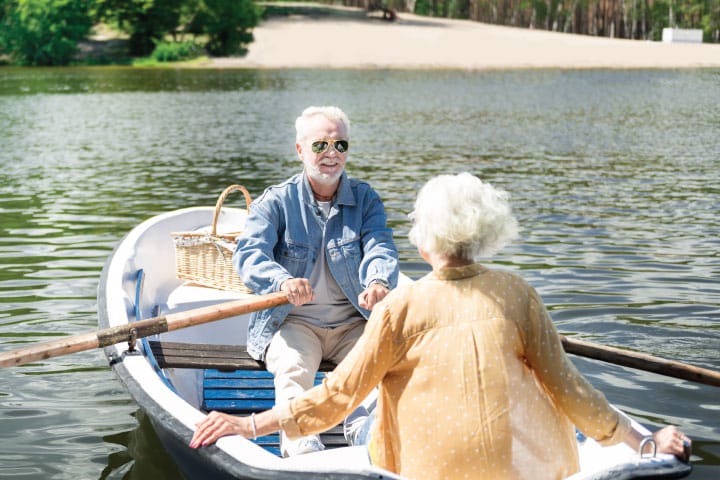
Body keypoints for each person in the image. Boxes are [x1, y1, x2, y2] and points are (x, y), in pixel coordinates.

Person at [192, 172, 691, 479]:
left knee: (366, 411)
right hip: (517, 469)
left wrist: (247, 423)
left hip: (422, 471)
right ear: (482, 233)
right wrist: (644, 443)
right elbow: (569, 389)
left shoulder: (398, 308)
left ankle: (343, 441)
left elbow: (335, 396)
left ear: (425, 238)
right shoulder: (519, 294)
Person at [229, 105, 399, 456]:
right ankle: (302, 448)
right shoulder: (275, 202)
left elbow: (380, 246)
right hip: (294, 323)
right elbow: (247, 256)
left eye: (340, 145)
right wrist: (281, 281)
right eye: (320, 145)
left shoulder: (365, 199)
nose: (331, 154)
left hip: (354, 322)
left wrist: (378, 281)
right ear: (300, 150)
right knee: (293, 372)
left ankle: (367, 441)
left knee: (371, 380)